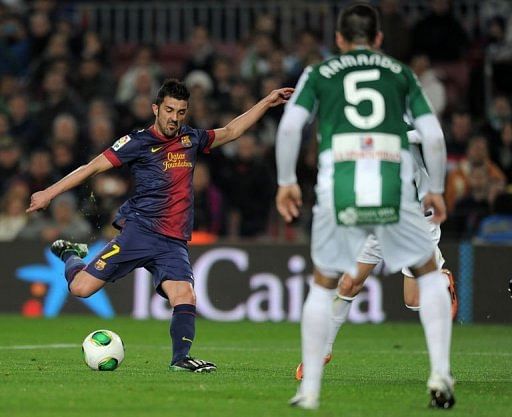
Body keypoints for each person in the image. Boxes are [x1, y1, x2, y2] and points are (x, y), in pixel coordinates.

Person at [26, 78, 293, 373]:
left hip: (172, 242)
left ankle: (181, 359)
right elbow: (90, 168)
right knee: (80, 288)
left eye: (181, 112)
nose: (174, 118)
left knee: (185, 295)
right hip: (139, 233)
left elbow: (231, 131)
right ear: (156, 109)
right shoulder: (137, 143)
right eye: (169, 110)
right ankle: (70, 254)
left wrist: (267, 101)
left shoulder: (191, 138)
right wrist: (48, 193)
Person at [275, 4, 453, 410]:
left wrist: (286, 181)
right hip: (398, 189)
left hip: (344, 188)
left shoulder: (319, 73)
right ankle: (441, 373)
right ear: (378, 39)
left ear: (338, 39)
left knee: (327, 282)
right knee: (406, 281)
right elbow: (434, 135)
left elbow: (289, 126)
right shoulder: (400, 74)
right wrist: (438, 187)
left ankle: (310, 393)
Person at [294, 137, 459, 381]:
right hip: (379, 215)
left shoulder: (403, 120)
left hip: (414, 220)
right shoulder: (356, 135)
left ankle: (441, 280)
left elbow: (433, 136)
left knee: (413, 300)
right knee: (349, 283)